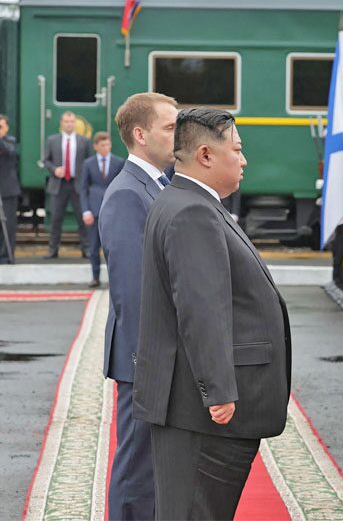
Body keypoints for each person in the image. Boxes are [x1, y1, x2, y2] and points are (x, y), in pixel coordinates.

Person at [134, 108, 291, 520]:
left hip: (191, 403)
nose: (243, 160)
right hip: (203, 413)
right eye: (236, 150)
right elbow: (201, 309)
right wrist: (218, 390)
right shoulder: (193, 212)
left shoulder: (187, 201)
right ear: (205, 154)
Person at [98, 92, 178, 521]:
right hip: (143, 356)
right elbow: (133, 290)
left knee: (152, 467)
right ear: (140, 134)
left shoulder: (155, 185)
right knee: (136, 468)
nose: (178, 134)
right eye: (169, 127)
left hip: (154, 355)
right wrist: (149, 361)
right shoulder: (129, 194)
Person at [43, 111, 92, 259]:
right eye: (66, 121)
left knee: (82, 219)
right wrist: (54, 169)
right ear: (61, 123)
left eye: (72, 122)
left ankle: (86, 249)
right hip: (59, 184)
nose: (69, 124)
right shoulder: (52, 140)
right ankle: (53, 250)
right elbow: (46, 160)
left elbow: (89, 162)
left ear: (75, 124)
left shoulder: (84, 141)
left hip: (77, 185)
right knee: (56, 219)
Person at [80, 132, 124, 287]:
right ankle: (95, 277)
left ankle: (115, 279)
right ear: (96, 146)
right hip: (94, 211)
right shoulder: (88, 164)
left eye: (108, 144)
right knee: (93, 247)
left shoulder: (119, 162)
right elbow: (83, 189)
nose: (106, 148)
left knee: (113, 247)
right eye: (103, 145)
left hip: (112, 211)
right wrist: (86, 210)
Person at [0, 114, 20, 264]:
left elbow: (9, 151)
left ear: (6, 128)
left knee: (8, 224)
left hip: (7, 189)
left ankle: (7, 254)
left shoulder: (10, 141)